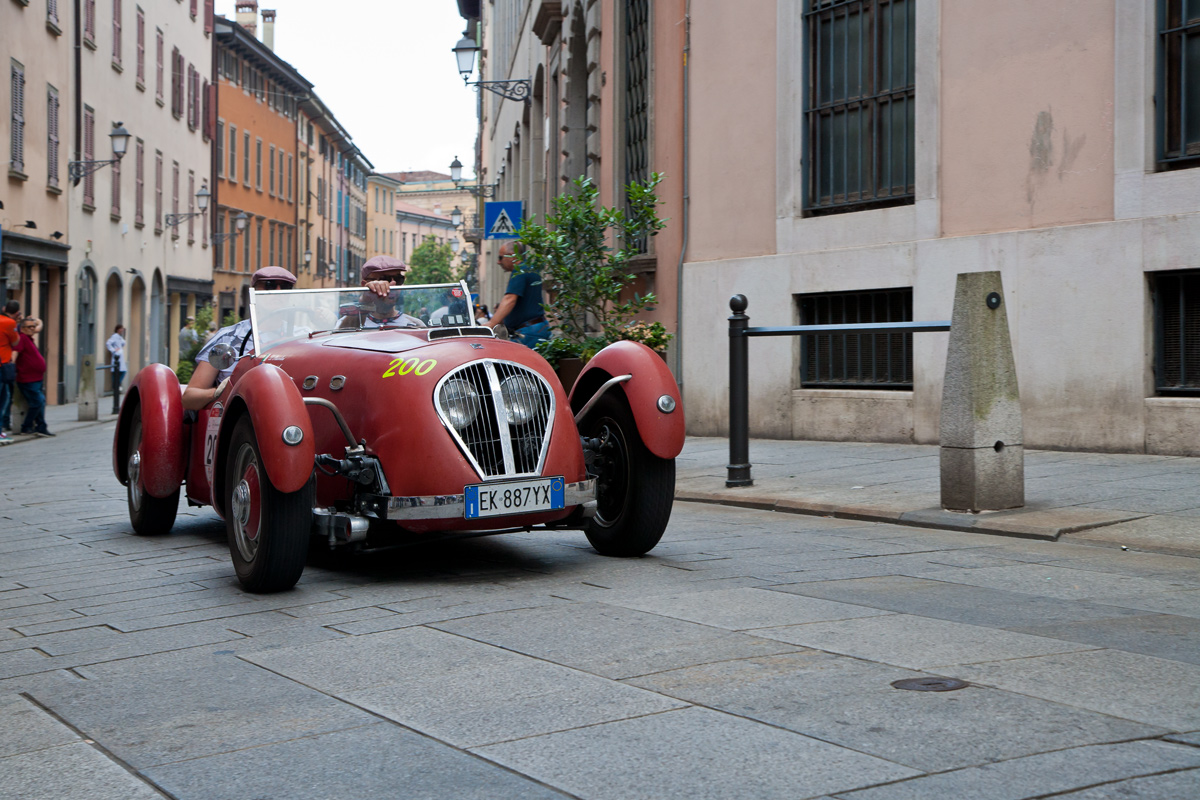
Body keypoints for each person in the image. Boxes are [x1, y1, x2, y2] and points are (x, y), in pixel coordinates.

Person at [182, 267, 297, 411]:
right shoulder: (228, 338)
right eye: (270, 285)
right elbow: (190, 397)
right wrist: (219, 392)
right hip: (238, 419)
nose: (278, 292)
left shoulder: (304, 337)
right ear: (254, 291)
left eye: (286, 287)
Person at [484, 242, 549, 348]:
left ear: (512, 256)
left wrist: (491, 324)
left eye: (500, 257)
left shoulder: (520, 271)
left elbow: (510, 299)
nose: (498, 262)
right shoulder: (530, 269)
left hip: (528, 332)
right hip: (535, 329)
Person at [340, 255, 423, 329]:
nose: (393, 285)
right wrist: (364, 302)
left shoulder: (414, 325)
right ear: (364, 285)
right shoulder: (347, 323)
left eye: (398, 280)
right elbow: (340, 339)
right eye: (384, 279)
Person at [14, 317, 52, 437]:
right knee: (38, 402)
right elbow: (15, 352)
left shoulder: (28, 337)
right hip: (27, 378)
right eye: (29, 327)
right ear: (22, 328)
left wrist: (38, 320)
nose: (32, 329)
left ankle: (41, 427)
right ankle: (26, 426)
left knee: (40, 401)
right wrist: (11, 366)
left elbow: (39, 326)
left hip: (36, 377)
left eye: (33, 326)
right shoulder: (21, 338)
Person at [0, 301, 20, 440]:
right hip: (2, 363)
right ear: (16, 313)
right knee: (3, 398)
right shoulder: (9, 323)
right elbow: (15, 342)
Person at [106, 324, 127, 415]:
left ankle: (117, 384)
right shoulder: (114, 336)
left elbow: (123, 343)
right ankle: (116, 385)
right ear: (118, 329)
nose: (122, 330)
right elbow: (108, 343)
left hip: (120, 358)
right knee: (117, 372)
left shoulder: (119, 337)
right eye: (121, 328)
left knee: (122, 371)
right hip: (116, 357)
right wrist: (114, 350)